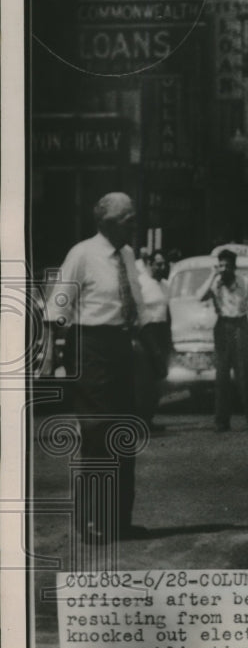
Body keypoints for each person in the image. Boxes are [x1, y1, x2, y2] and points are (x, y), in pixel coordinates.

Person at [43, 192, 148, 543]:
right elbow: (56, 311)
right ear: (105, 222)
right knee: (98, 434)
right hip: (89, 348)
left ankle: (119, 520)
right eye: (127, 218)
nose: (134, 224)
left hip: (120, 347)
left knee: (124, 434)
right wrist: (48, 359)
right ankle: (89, 520)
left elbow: (135, 303)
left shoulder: (128, 255)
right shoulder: (82, 254)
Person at [196, 249, 248, 433]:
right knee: (221, 376)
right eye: (221, 265)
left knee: (245, 375)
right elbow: (199, 296)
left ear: (234, 267)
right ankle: (221, 422)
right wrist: (213, 275)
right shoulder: (215, 283)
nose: (224, 269)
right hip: (222, 327)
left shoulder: (245, 282)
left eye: (227, 266)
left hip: (240, 327)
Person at [133, 249, 171, 433]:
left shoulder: (165, 285)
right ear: (149, 264)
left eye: (164, 264)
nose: (162, 267)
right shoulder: (141, 283)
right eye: (158, 264)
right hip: (147, 333)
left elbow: (167, 311)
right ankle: (140, 421)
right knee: (144, 379)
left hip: (162, 331)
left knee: (157, 379)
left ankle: (149, 419)